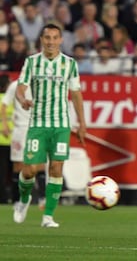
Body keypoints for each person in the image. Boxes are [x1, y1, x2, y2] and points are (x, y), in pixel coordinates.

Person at [13, 23, 86, 228]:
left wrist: (82, 123)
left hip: (61, 124)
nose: (51, 41)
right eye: (47, 38)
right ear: (41, 40)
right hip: (37, 124)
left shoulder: (69, 64)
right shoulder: (32, 62)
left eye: (55, 38)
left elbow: (76, 93)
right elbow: (21, 87)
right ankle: (24, 198)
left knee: (56, 167)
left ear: (61, 40)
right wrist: (22, 99)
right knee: (29, 171)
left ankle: (48, 216)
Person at [1, 78, 47, 207]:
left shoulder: (42, 85)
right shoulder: (15, 85)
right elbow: (4, 105)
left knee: (40, 163)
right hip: (20, 130)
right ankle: (18, 200)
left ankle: (43, 198)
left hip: (37, 129)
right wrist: (4, 124)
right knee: (18, 166)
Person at [0, 74, 11, 203]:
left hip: (4, 141)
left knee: (2, 172)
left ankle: (2, 198)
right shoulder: (9, 101)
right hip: (11, 140)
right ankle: (14, 197)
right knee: (13, 171)